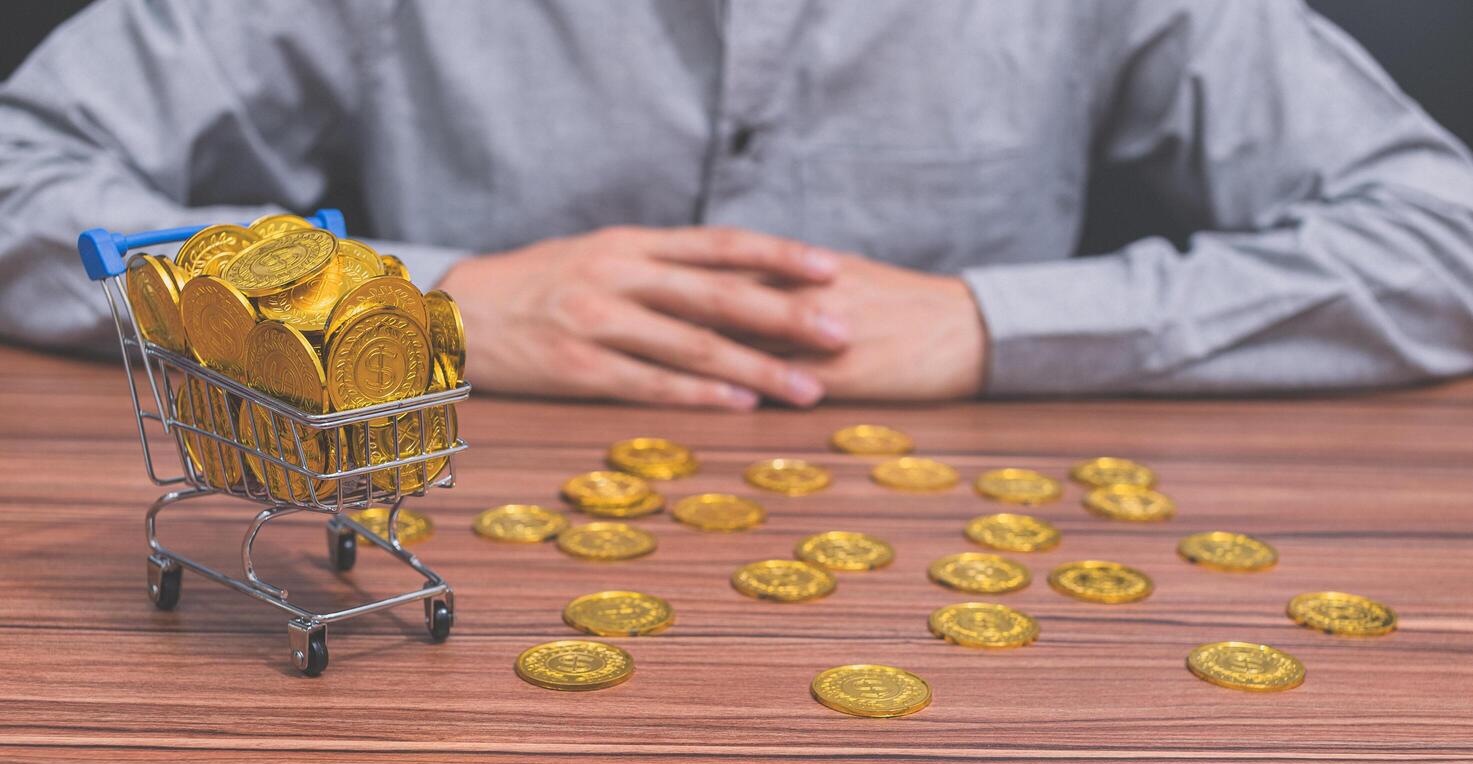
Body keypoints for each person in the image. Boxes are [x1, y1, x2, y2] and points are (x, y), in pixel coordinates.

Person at [2, 0, 1472, 408]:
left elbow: (1438, 236)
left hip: (972, 642)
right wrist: (422, 301)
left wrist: (994, 324)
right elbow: (22, 178)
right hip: (463, 574)